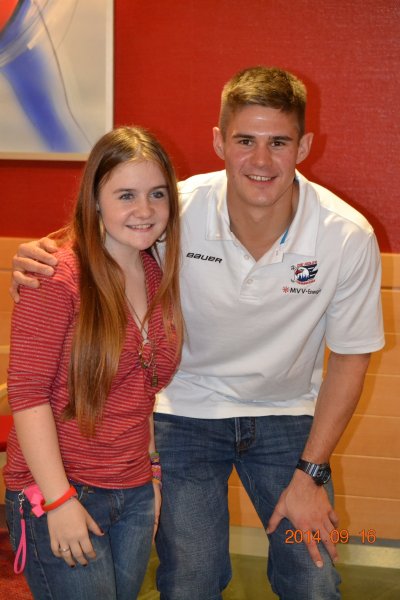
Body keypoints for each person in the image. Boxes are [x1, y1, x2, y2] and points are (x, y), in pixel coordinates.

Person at [10, 67, 385, 600]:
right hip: (185, 410)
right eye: (245, 140)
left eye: (279, 142)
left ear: (303, 146)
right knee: (192, 578)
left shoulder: (345, 235)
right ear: (219, 142)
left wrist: (312, 473)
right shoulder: (173, 209)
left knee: (314, 574)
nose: (261, 161)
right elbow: (102, 229)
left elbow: (350, 358)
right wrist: (39, 254)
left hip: (286, 415)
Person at [4, 126, 183, 600]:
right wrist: (59, 499)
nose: (145, 210)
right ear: (96, 201)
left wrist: (151, 474)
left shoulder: (156, 272)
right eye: (126, 195)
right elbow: (27, 395)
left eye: (157, 194)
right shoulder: (56, 275)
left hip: (134, 491)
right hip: (61, 489)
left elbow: (141, 389)